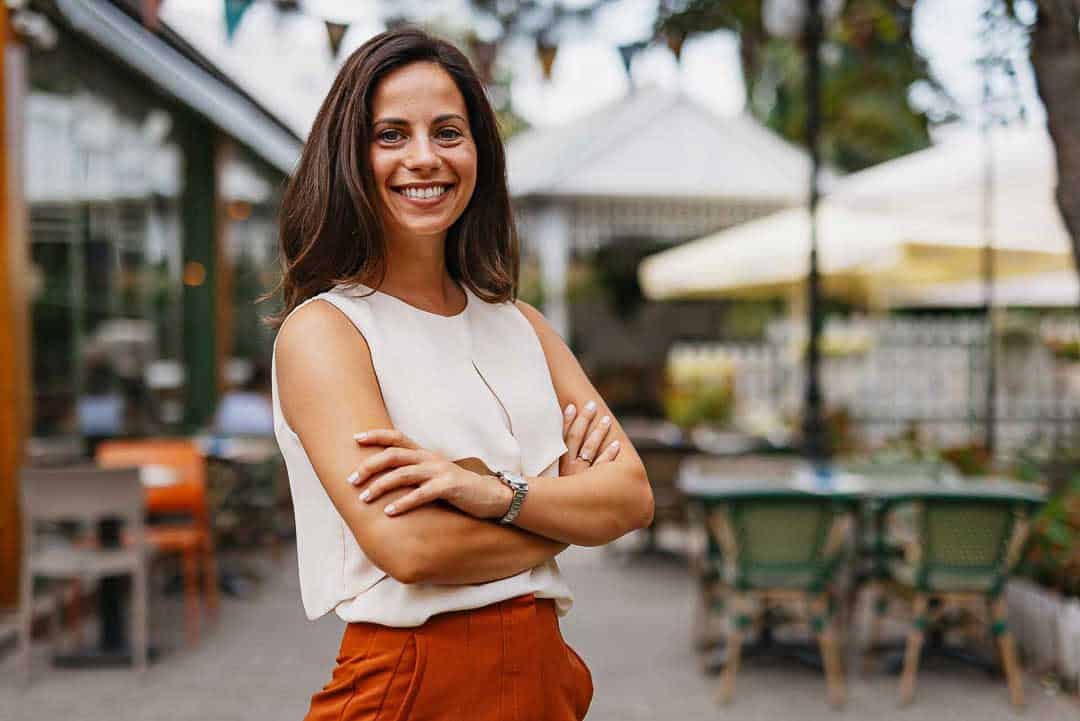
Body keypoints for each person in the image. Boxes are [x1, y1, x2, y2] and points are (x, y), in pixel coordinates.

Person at [270, 27, 653, 721]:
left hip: (541, 678)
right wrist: (567, 511)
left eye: (448, 131)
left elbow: (630, 495)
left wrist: (485, 490)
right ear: (350, 155)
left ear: (478, 150)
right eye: (390, 134)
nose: (424, 158)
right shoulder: (326, 332)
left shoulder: (522, 326)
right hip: (411, 681)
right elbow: (410, 546)